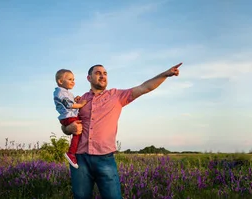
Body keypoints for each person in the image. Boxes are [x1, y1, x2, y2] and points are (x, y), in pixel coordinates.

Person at [60, 62, 182, 199]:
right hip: (79, 159)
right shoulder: (79, 100)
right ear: (89, 78)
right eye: (98, 73)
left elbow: (144, 87)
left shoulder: (116, 96)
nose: (102, 76)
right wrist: (68, 128)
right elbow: (65, 123)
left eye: (105, 73)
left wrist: (165, 74)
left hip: (105, 159)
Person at [53, 69, 87, 169]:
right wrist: (80, 104)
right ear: (60, 81)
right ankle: (71, 153)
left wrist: (75, 100)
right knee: (78, 131)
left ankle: (73, 152)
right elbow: (68, 105)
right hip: (68, 117)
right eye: (70, 79)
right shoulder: (60, 92)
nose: (73, 81)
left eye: (74, 79)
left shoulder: (65, 92)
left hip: (68, 116)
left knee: (79, 127)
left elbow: (69, 102)